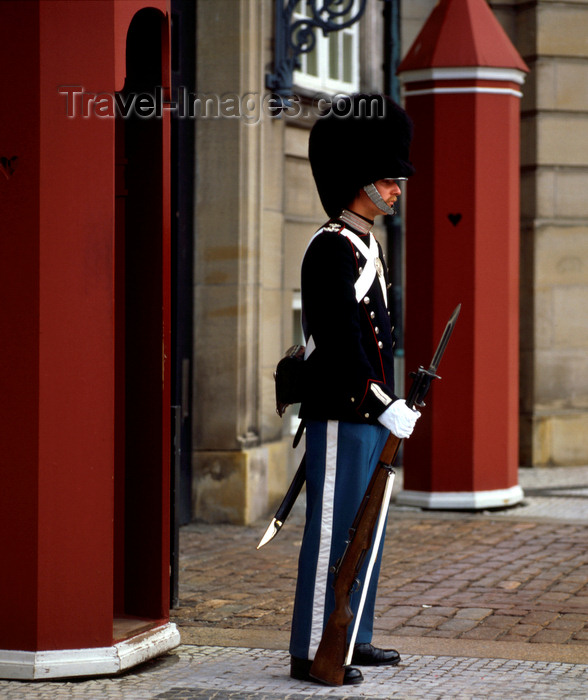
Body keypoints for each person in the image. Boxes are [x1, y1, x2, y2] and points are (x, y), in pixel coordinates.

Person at [289, 94, 420, 686]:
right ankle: (312, 647)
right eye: (389, 180)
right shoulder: (329, 248)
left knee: (367, 528)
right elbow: (342, 345)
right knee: (332, 533)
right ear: (359, 182)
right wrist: (381, 403)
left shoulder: (369, 246)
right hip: (344, 411)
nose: (397, 190)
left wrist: (393, 405)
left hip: (369, 415)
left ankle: (353, 635)